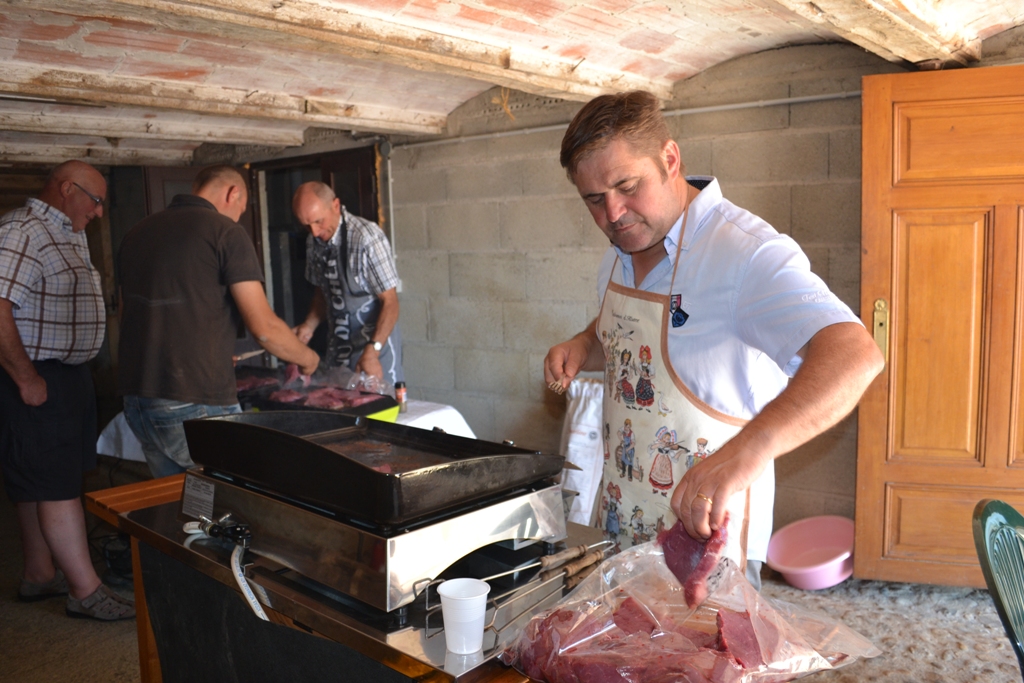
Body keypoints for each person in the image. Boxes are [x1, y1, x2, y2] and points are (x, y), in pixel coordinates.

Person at [544, 91, 884, 589]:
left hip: (707, 544)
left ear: (670, 159)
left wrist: (749, 450)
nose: (613, 213)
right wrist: (583, 343)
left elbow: (855, 354)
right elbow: (624, 332)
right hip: (622, 520)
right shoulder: (618, 254)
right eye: (594, 199)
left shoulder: (744, 254)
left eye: (627, 186)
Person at [118, 165, 319, 478]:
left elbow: (139, 315)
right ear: (233, 193)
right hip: (194, 402)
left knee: (183, 501)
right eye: (242, 209)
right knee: (236, 495)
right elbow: (265, 329)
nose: (238, 217)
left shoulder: (137, 232)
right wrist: (308, 358)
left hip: (138, 400)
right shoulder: (225, 231)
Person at [0, 160, 135, 620]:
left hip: (66, 374)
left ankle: (40, 574)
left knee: (40, 481)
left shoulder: (67, 232)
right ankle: (85, 590)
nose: (99, 212)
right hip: (38, 373)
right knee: (57, 486)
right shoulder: (23, 229)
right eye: (95, 201)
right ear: (65, 188)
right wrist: (26, 378)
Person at [291, 181, 403, 385]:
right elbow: (322, 291)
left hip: (375, 351)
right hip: (339, 350)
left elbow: (390, 302)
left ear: (335, 205)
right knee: (338, 401)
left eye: (318, 221)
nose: (314, 231)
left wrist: (373, 351)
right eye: (306, 225)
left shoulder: (367, 238)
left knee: (378, 403)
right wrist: (308, 326)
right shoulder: (313, 241)